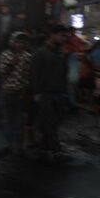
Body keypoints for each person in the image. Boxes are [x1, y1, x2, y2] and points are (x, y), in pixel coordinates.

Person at [29, 24, 69, 160]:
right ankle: (54, 149)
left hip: (58, 93)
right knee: (49, 122)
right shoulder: (41, 53)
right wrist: (37, 93)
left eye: (65, 36)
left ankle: (45, 147)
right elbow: (34, 74)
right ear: (52, 35)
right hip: (45, 93)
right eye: (61, 35)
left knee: (54, 122)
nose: (64, 38)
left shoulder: (61, 53)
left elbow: (64, 73)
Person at [0, 32, 33, 158]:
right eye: (17, 42)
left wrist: (27, 91)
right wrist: (12, 63)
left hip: (20, 94)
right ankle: (9, 144)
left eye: (22, 42)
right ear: (12, 42)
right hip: (6, 93)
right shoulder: (5, 55)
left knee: (20, 121)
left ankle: (19, 146)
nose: (20, 45)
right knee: (7, 121)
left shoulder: (27, 56)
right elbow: (1, 72)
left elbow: (28, 75)